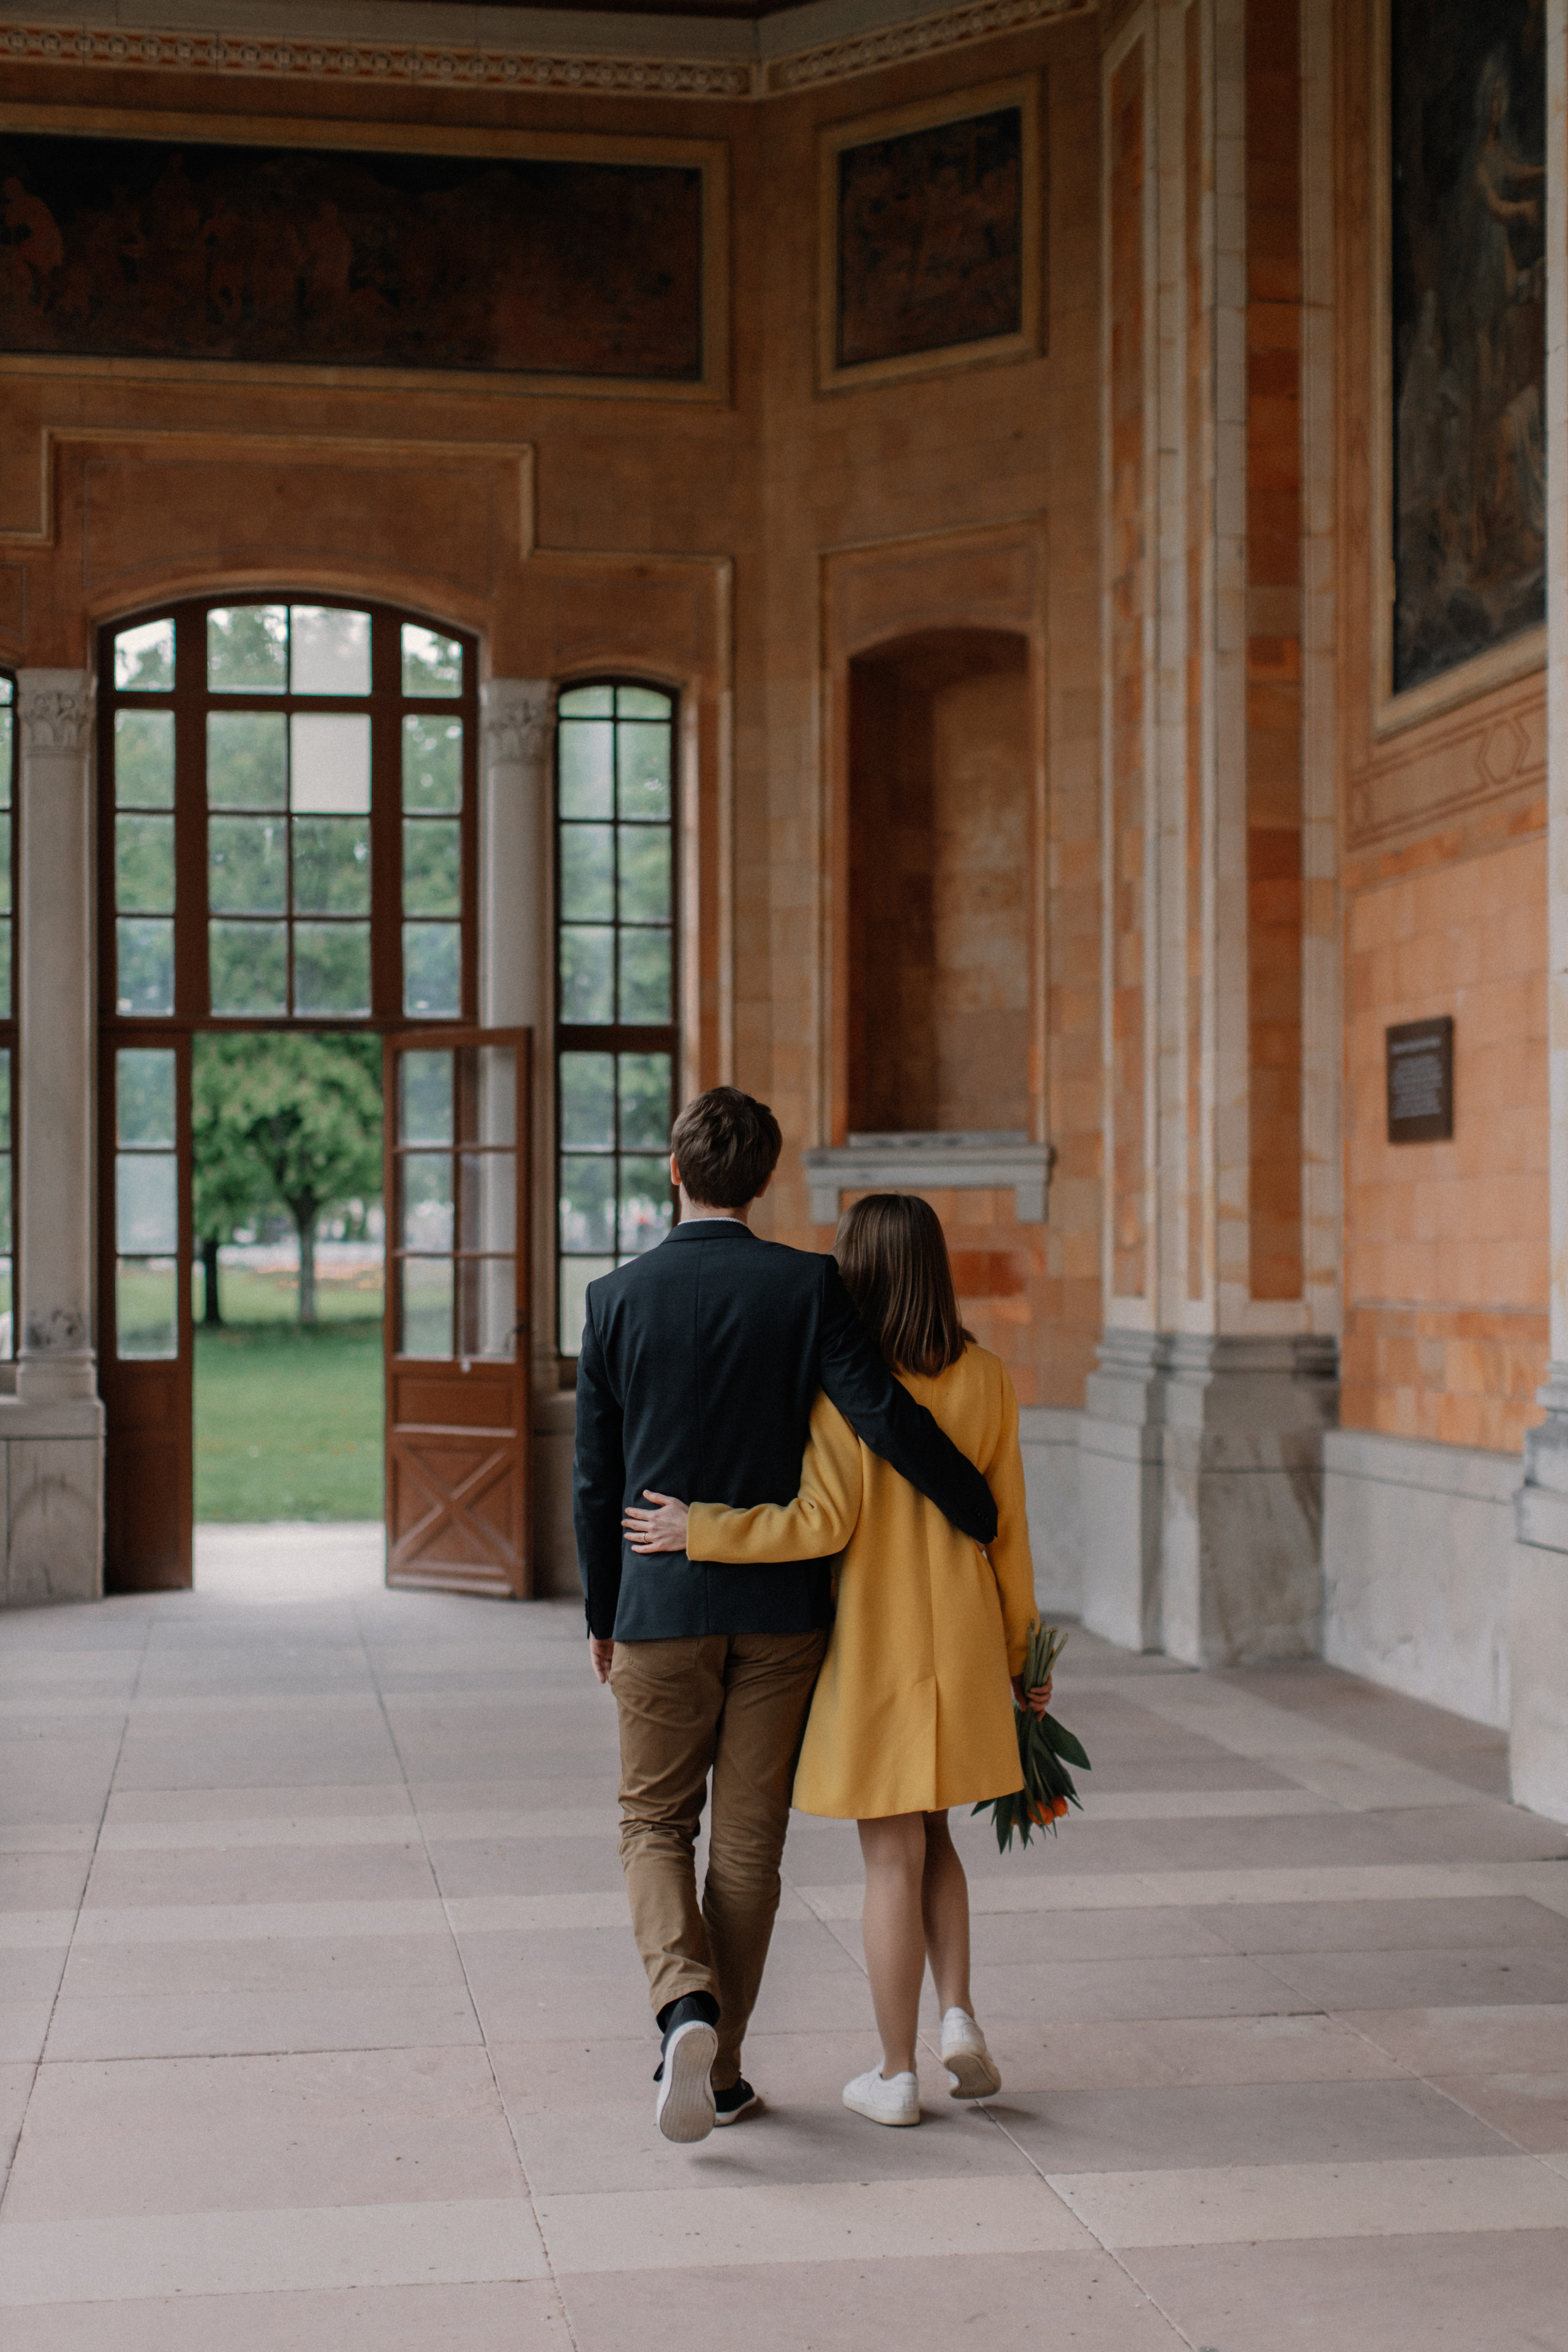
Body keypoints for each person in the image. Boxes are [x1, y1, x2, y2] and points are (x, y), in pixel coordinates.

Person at [573, 1093, 998, 2146]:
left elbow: (595, 1480)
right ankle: (720, 2072)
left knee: (652, 1824)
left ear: (675, 1167)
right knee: (749, 1852)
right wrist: (971, 1501)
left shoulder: (615, 1298)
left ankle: (688, 2012)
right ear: (764, 1182)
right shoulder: (806, 1284)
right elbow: (881, 1411)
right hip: (780, 1614)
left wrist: (601, 1611)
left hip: (659, 1600)